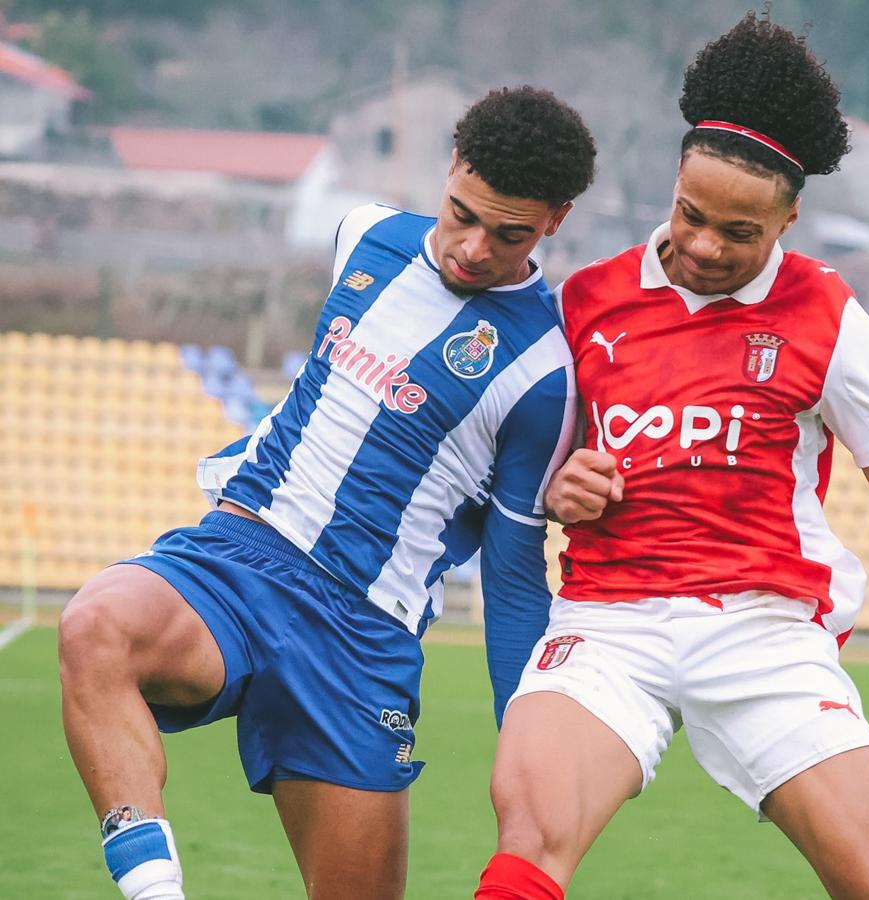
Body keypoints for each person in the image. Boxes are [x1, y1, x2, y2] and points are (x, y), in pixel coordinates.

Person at [474, 16, 869, 900]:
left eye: (740, 232)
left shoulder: (828, 317)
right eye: (692, 215)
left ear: (789, 218)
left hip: (764, 631)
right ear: (674, 182)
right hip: (609, 623)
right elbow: (530, 462)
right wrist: (562, 484)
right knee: (529, 838)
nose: (703, 246)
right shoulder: (587, 301)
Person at [57, 85, 596, 900]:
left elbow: (515, 572)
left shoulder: (546, 375)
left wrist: (531, 737)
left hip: (360, 639)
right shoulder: (366, 236)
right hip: (238, 558)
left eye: (509, 232)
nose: (475, 248)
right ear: (450, 167)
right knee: (94, 625)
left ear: (555, 220)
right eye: (463, 213)